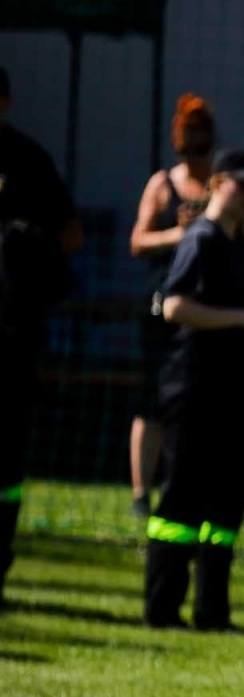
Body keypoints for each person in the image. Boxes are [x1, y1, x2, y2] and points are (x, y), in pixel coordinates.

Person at [143, 148, 244, 629]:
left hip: (234, 394)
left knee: (225, 504)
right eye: (242, 185)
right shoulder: (202, 239)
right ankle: (163, 608)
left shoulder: (235, 242)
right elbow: (175, 307)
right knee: (180, 502)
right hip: (195, 390)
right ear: (217, 183)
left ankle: (212, 611)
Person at [0, 66, 82, 604]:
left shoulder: (27, 160)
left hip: (10, 338)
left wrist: (23, 253)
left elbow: (70, 237)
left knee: (6, 466)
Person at [128, 94, 216, 520]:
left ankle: (188, 484)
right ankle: (142, 493)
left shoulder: (221, 184)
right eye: (189, 129)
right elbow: (138, 241)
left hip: (206, 313)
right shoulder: (162, 184)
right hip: (162, 310)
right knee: (152, 403)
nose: (195, 137)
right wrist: (179, 234)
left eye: (202, 129)